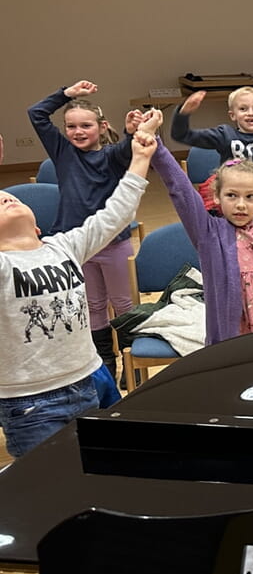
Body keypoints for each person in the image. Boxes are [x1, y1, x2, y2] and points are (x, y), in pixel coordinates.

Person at [0, 122, 158, 457]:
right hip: (31, 403)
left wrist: (141, 157)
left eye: (10, 197)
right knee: (48, 484)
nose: (5, 198)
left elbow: (117, 214)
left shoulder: (64, 246)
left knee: (104, 465)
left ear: (37, 224)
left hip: (89, 379)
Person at [151, 107, 253, 345]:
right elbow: (179, 188)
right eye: (232, 195)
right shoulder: (208, 232)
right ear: (217, 196)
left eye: (249, 197)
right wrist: (155, 145)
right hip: (237, 334)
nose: (241, 205)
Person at [28, 81, 143, 385]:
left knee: (123, 303)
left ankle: (133, 360)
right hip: (76, 247)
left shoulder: (112, 156)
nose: (78, 132)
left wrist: (131, 130)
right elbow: (36, 113)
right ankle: (106, 360)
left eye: (86, 126)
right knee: (92, 304)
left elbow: (130, 147)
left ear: (102, 127)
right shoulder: (63, 153)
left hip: (113, 244)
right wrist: (67, 93)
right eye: (71, 126)